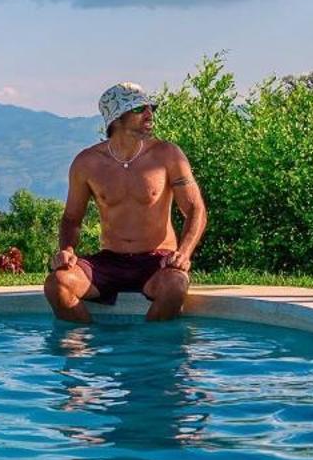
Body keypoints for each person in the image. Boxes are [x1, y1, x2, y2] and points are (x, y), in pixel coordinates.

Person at [44, 82, 207, 323]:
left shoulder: (167, 154)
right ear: (117, 118)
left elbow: (195, 209)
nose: (150, 114)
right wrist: (67, 250)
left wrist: (183, 254)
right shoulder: (87, 163)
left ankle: (149, 352)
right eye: (140, 109)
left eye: (151, 108)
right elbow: (71, 218)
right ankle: (91, 348)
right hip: (110, 260)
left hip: (158, 259)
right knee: (57, 284)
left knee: (175, 284)